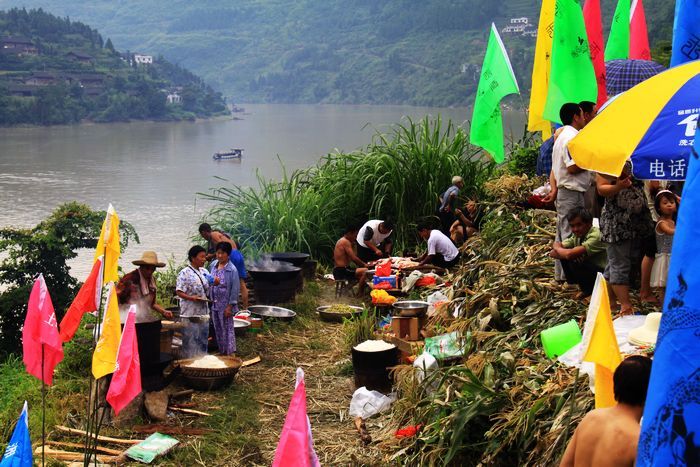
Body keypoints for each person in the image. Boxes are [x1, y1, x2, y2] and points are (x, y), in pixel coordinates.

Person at [560, 355, 652, 467]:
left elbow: (565, 464)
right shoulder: (638, 440)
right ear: (650, 392)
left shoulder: (591, 418)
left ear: (615, 383)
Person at [597, 161, 654, 315]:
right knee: (619, 265)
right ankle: (625, 306)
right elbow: (601, 188)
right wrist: (618, 186)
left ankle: (611, 303)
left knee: (614, 264)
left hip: (636, 222)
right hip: (618, 223)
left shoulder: (640, 155)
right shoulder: (610, 158)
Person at [543, 103, 592, 281]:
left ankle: (562, 275)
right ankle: (572, 277)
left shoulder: (562, 136)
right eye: (581, 115)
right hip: (570, 191)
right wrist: (591, 159)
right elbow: (571, 167)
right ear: (575, 117)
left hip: (566, 191)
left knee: (562, 232)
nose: (584, 118)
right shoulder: (572, 137)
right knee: (570, 233)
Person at [116, 251, 173, 368]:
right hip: (128, 321)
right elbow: (115, 300)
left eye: (153, 269)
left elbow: (152, 304)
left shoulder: (152, 282)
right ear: (141, 267)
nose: (150, 272)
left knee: (145, 351)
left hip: (144, 321)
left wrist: (163, 311)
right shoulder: (129, 279)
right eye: (147, 268)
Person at [549, 207, 607, 297]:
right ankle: (576, 284)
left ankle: (588, 290)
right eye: (572, 226)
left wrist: (563, 251)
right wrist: (562, 250)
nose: (575, 229)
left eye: (579, 225)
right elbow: (553, 253)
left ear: (589, 223)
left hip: (604, 274)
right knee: (568, 255)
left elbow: (568, 254)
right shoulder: (578, 235)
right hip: (591, 269)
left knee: (573, 258)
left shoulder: (596, 235)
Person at [176, 245, 216, 358]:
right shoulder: (184, 273)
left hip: (203, 311)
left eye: (205, 257)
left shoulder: (204, 271)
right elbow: (179, 292)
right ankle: (189, 363)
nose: (204, 259)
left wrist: (216, 281)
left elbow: (212, 281)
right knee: (190, 340)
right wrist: (191, 298)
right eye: (201, 257)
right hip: (190, 313)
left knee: (203, 339)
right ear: (193, 258)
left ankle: (202, 361)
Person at [198, 222, 249, 309]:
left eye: (203, 236)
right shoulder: (221, 234)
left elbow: (223, 248)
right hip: (237, 254)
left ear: (204, 232)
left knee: (227, 282)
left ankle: (228, 306)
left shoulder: (213, 235)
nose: (204, 238)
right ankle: (245, 309)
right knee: (241, 283)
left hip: (230, 255)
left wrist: (212, 256)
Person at [209, 242, 240, 355]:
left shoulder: (232, 270)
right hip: (214, 303)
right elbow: (209, 280)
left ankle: (230, 352)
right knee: (217, 327)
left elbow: (235, 289)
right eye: (218, 253)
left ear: (228, 254)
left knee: (227, 328)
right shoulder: (213, 265)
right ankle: (222, 350)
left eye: (222, 253)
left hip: (225, 304)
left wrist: (230, 306)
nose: (220, 255)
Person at [649, 190, 677, 303]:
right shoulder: (662, 223)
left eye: (672, 202)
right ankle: (663, 307)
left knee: (673, 283)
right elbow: (670, 232)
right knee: (663, 286)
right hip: (664, 258)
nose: (669, 205)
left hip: (673, 257)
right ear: (659, 207)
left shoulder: (673, 221)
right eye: (665, 203)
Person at [333, 224, 369, 295]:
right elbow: (354, 258)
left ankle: (347, 289)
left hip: (342, 269)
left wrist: (354, 245)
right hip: (341, 270)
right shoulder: (345, 241)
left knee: (361, 275)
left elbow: (353, 256)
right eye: (355, 236)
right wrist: (365, 265)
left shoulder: (346, 242)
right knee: (366, 271)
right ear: (349, 233)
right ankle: (360, 293)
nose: (355, 238)